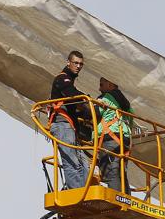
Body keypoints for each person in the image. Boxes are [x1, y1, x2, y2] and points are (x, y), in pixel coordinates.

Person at [48, 50, 91, 189]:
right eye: (75, 63)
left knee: (85, 165)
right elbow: (71, 94)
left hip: (70, 127)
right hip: (62, 125)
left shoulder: (70, 82)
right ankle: (76, 192)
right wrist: (87, 100)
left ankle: (83, 191)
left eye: (81, 64)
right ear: (68, 62)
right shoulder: (62, 78)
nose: (78, 66)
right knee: (72, 163)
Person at [96, 77, 132, 191]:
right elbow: (131, 118)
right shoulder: (126, 103)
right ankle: (126, 198)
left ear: (110, 84)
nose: (99, 88)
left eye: (101, 85)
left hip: (110, 137)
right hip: (124, 138)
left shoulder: (107, 97)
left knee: (111, 171)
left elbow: (93, 113)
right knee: (120, 172)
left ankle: (116, 197)